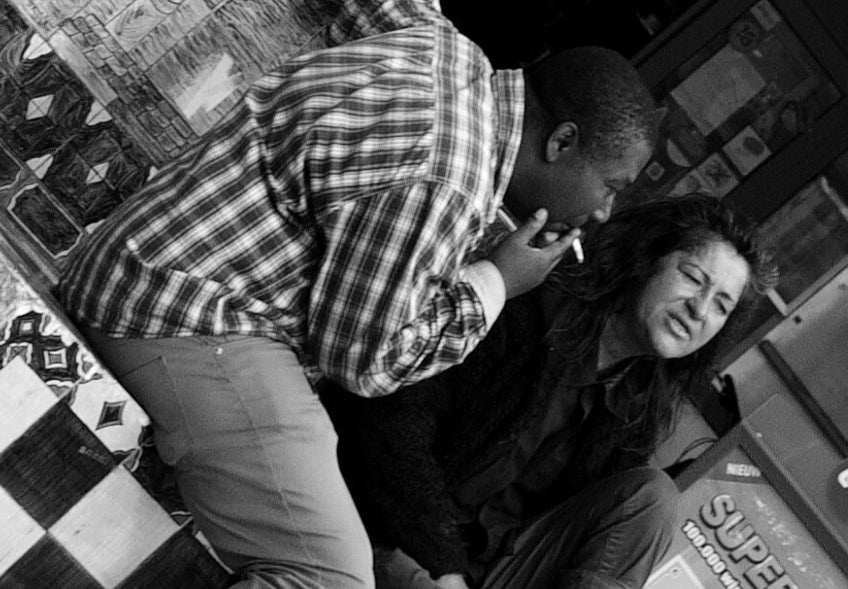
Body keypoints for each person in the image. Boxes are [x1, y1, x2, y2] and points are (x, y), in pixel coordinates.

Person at [55, 0, 659, 586]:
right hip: (186, 317)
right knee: (333, 578)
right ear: (561, 142)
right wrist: (498, 280)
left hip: (144, 262)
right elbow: (366, 361)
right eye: (611, 186)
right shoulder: (450, 183)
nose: (604, 212)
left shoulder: (444, 49)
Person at [323, 193, 779, 589]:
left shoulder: (637, 408)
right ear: (648, 260)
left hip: (485, 573)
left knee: (653, 498)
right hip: (385, 530)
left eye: (721, 305)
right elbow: (389, 430)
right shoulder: (533, 309)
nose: (700, 310)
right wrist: (445, 569)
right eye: (693, 278)